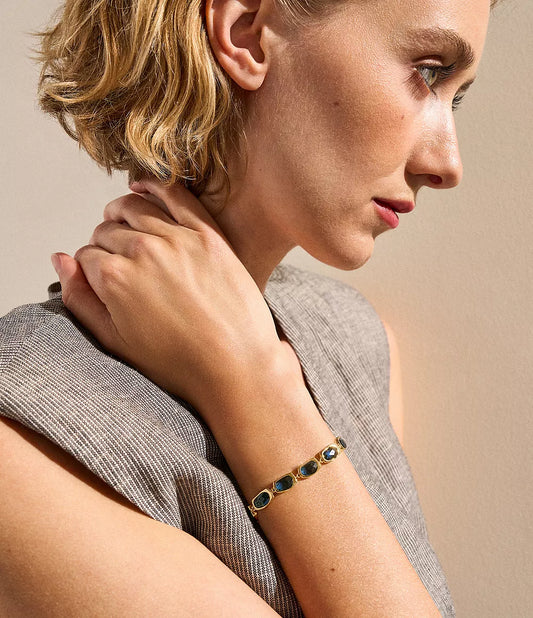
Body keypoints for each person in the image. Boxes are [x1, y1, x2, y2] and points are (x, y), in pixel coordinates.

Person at [0, 0, 493, 615]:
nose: (448, 164)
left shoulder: (352, 340)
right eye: (427, 72)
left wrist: (251, 380)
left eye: (456, 97)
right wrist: (254, 385)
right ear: (247, 34)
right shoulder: (20, 437)